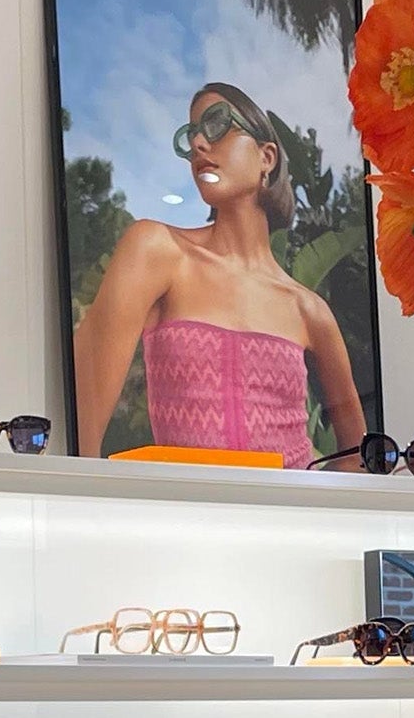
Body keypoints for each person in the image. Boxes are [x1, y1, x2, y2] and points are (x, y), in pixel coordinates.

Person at [73, 83, 369, 468]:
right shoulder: (157, 250)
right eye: (191, 135)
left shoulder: (307, 309)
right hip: (185, 506)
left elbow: (358, 454)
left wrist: (313, 502)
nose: (198, 144)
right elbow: (80, 426)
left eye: (216, 124)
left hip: (289, 505)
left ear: (266, 157)